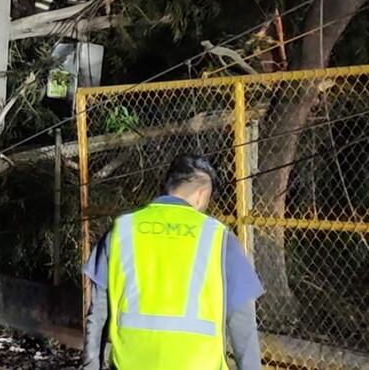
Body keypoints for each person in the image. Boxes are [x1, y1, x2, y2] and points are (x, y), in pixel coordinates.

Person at [81, 154, 263, 370]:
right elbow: (243, 325)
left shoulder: (122, 230)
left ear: (167, 186)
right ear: (202, 194)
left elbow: (98, 312)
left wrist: (91, 366)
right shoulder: (219, 238)